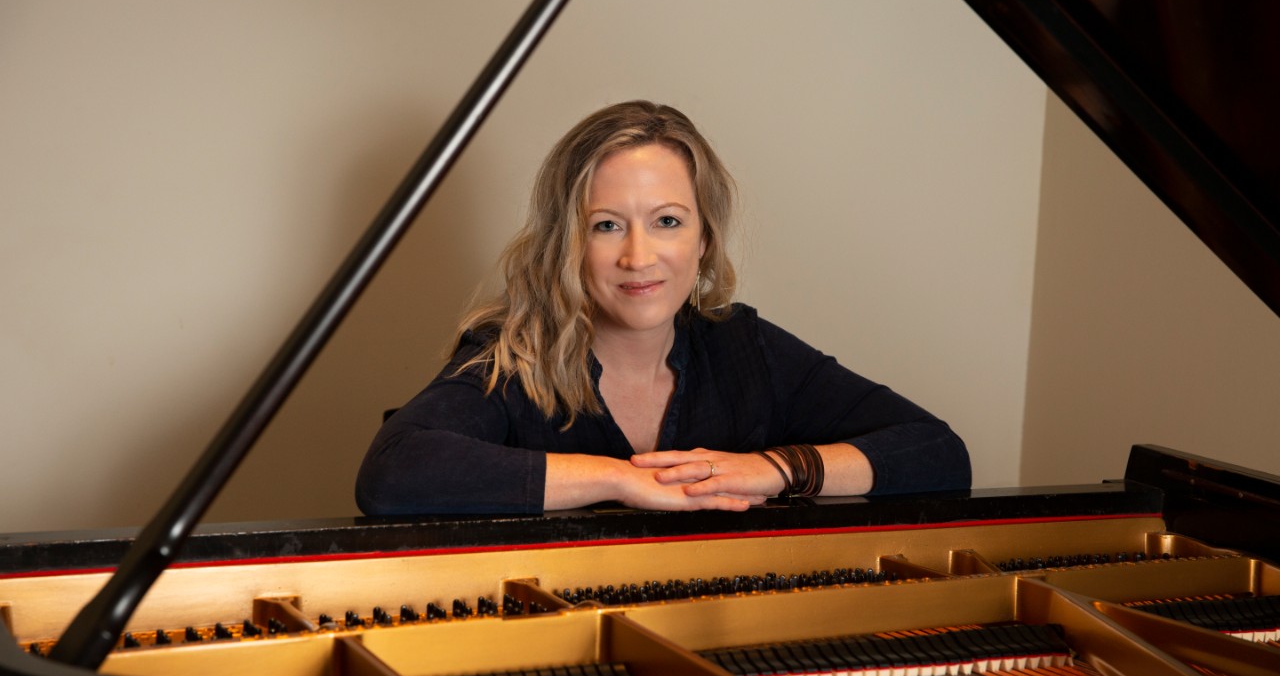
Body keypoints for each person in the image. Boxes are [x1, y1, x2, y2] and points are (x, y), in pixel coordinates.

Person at [356, 101, 970, 515]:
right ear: (566, 243)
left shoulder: (743, 349)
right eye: (605, 225)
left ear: (703, 239)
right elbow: (391, 473)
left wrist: (778, 469)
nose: (638, 256)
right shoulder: (512, 358)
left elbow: (938, 452)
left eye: (667, 221)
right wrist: (620, 479)